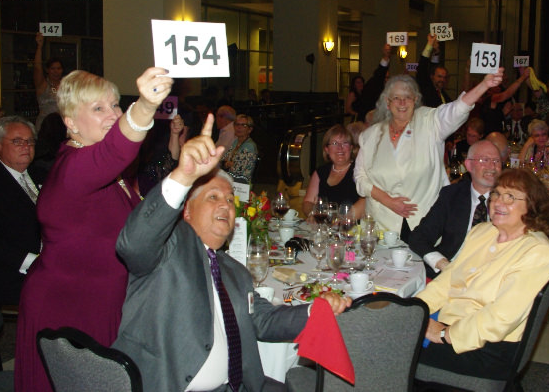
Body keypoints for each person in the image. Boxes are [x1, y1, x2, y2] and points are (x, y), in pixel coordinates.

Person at [112, 115, 349, 392]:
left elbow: (263, 320)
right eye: (213, 197)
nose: (225, 205)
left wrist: (314, 310)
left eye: (229, 200)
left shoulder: (234, 271)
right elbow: (134, 242)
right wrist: (183, 177)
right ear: (186, 210)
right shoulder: (168, 248)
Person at [15, 67, 172, 392]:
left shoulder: (112, 176)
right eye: (98, 108)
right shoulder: (74, 168)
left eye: (116, 105)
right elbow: (116, 149)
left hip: (103, 302)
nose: (113, 114)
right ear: (70, 121)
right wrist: (144, 106)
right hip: (67, 306)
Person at [415, 168, 549, 380]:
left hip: (486, 348)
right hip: (450, 323)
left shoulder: (538, 252)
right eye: (497, 194)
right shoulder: (482, 232)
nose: (499, 202)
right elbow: (446, 282)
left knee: (388, 348)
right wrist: (415, 314)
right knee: (389, 328)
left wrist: (445, 334)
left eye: (510, 197)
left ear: (532, 205)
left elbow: (500, 319)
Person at [354, 70, 504, 240]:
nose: (402, 102)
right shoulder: (370, 136)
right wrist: (388, 200)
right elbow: (360, 177)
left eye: (408, 97)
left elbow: (457, 109)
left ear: (415, 100)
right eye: (396, 97)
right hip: (380, 226)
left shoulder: (430, 122)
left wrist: (484, 85)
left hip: (424, 223)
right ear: (388, 103)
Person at [408, 140, 502, 279]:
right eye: (485, 160)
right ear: (469, 165)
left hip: (491, 277)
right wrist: (442, 263)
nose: (492, 166)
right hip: (450, 273)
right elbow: (419, 237)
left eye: (496, 161)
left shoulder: (509, 201)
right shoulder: (452, 195)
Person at [0, 116, 43, 306]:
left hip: (50, 260)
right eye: (17, 141)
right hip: (12, 271)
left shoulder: (40, 173)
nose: (26, 146)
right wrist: (34, 262)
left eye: (30, 141)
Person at [303, 124, 365, 219]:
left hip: (351, 228)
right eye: (335, 143)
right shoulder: (320, 172)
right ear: (326, 149)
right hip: (324, 227)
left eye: (345, 143)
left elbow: (366, 201)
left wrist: (343, 220)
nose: (340, 148)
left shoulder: (359, 170)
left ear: (351, 148)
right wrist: (313, 214)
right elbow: (308, 202)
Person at [33, 32, 65, 131]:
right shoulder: (43, 85)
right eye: (53, 68)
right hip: (45, 127)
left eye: (59, 68)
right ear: (47, 70)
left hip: (62, 126)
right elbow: (37, 68)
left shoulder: (65, 85)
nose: (56, 71)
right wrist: (39, 47)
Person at [355, 44, 392, 121]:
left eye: (388, 78)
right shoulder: (374, 85)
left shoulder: (389, 88)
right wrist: (385, 57)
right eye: (385, 78)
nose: (386, 80)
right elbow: (379, 74)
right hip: (368, 120)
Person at [221, 114, 258, 183]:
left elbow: (238, 170)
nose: (239, 127)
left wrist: (229, 164)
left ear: (249, 129)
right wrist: (227, 164)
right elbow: (223, 161)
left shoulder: (250, 146)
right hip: (232, 180)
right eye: (237, 124)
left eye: (243, 125)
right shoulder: (235, 142)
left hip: (242, 184)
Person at [417, 34, 451, 107]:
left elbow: (434, 67)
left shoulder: (444, 95)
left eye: (444, 77)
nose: (442, 80)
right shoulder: (427, 89)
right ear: (432, 76)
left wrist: (436, 52)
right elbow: (422, 68)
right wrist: (429, 45)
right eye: (439, 76)